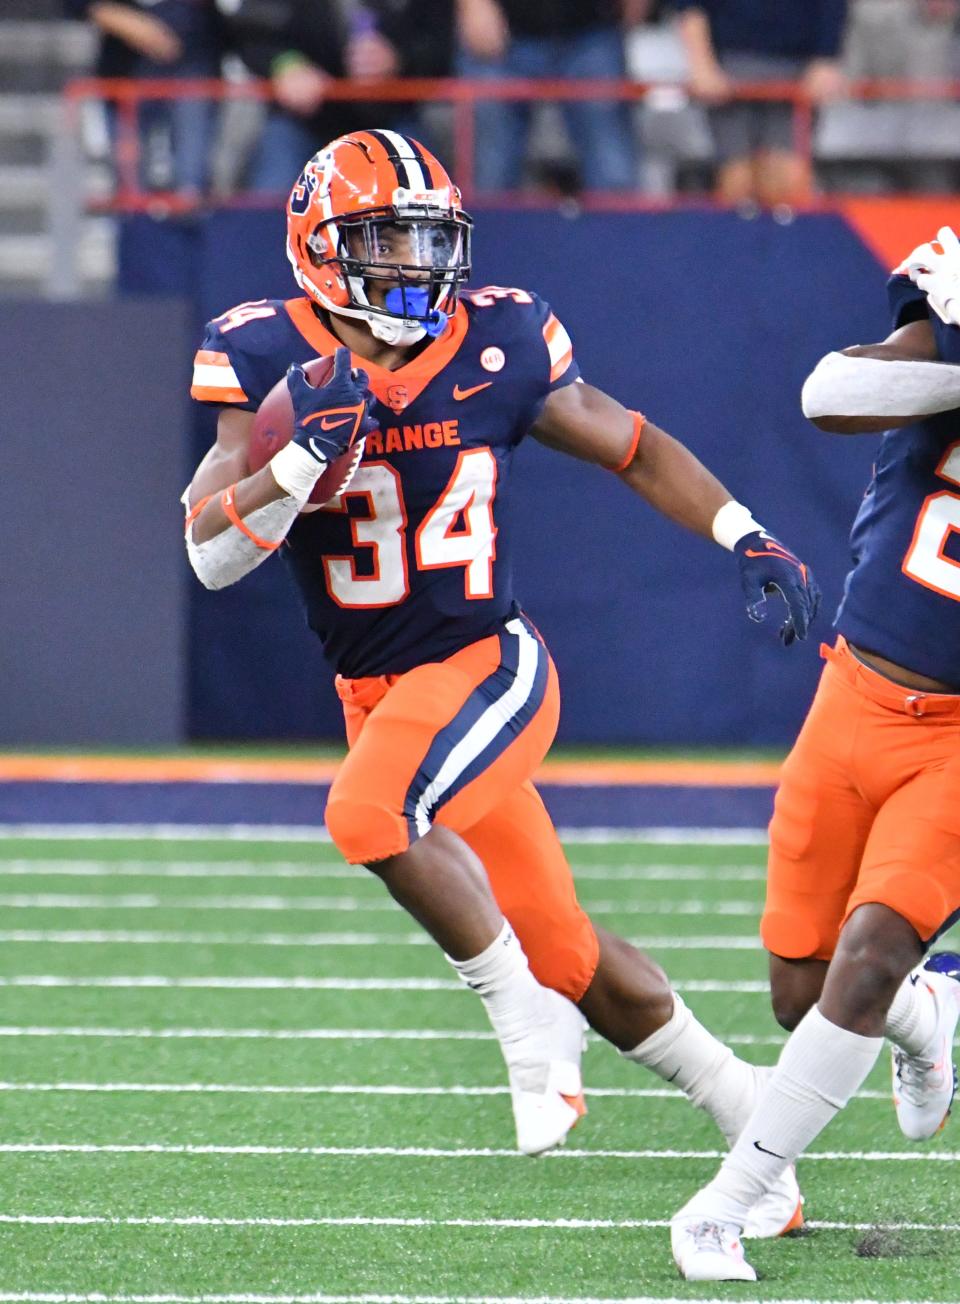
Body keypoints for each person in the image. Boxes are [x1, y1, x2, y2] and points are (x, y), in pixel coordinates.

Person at [182, 128, 819, 1228]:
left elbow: (634, 442)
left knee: (369, 811)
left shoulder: (501, 337)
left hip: (486, 663)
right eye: (384, 241)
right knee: (574, 951)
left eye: (427, 241)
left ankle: (523, 1025)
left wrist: (745, 532)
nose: (413, 267)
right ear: (321, 248)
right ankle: (753, 1122)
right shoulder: (262, 354)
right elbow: (207, 546)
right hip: (376, 694)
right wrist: (296, 460)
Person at [670, 225, 960, 1282]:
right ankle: (931, 1020)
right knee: (802, 988)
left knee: (870, 951)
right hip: (854, 695)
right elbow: (828, 392)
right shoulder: (944, 337)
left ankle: (724, 1201)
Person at [226, 0, 452, 194]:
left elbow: (443, 41)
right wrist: (286, 64)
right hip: (306, 118)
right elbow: (252, 31)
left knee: (418, 191)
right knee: (274, 188)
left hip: (395, 114)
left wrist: (400, 58)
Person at [674, 0, 848, 211]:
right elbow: (689, 6)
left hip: (797, 67)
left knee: (788, 183)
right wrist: (702, 64)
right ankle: (736, 240)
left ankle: (787, 243)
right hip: (728, 63)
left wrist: (826, 57)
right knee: (736, 181)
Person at [455, 0, 640, 193]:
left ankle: (616, 224)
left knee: (612, 172)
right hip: (501, 28)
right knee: (490, 176)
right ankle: (487, 223)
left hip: (593, 28)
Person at [69, 0, 222, 196]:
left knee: (191, 186)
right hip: (125, 78)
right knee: (130, 189)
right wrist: (127, 23)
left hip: (192, 71)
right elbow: (80, 5)